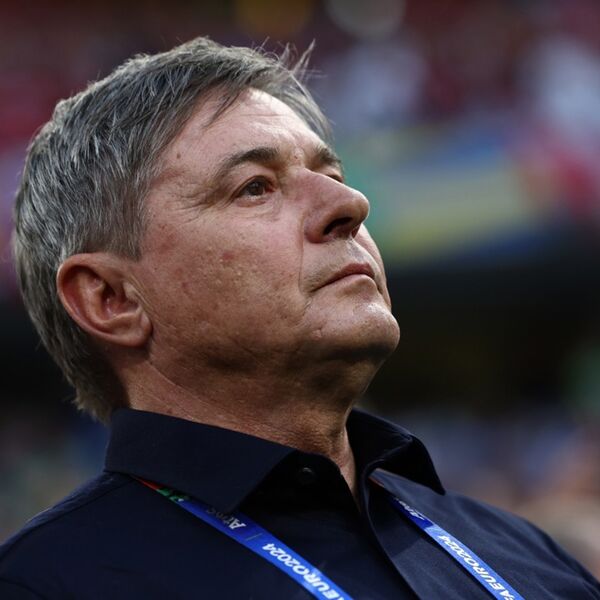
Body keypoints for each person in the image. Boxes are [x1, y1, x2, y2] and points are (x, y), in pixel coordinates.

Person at [0, 37, 598, 600]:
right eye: (255, 188)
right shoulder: (46, 585)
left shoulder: (532, 557)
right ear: (112, 299)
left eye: (332, 176)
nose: (351, 204)